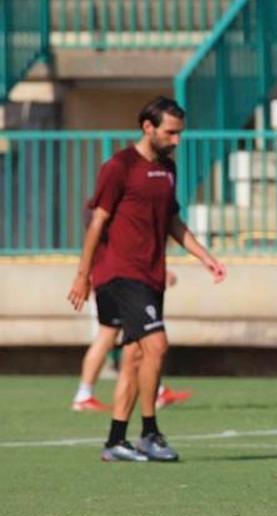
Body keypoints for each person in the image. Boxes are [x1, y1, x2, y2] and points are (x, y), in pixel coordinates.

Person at [66, 97, 227, 462]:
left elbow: (172, 222)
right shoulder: (119, 166)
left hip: (150, 274)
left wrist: (206, 257)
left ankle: (115, 441)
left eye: (180, 133)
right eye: (171, 133)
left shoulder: (168, 169)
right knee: (157, 345)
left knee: (136, 355)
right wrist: (83, 275)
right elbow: (97, 222)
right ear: (148, 127)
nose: (177, 140)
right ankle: (150, 433)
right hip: (120, 273)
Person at [72, 268, 191, 412]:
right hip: (116, 280)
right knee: (110, 334)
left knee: (137, 335)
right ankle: (84, 395)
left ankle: (157, 390)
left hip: (115, 279)